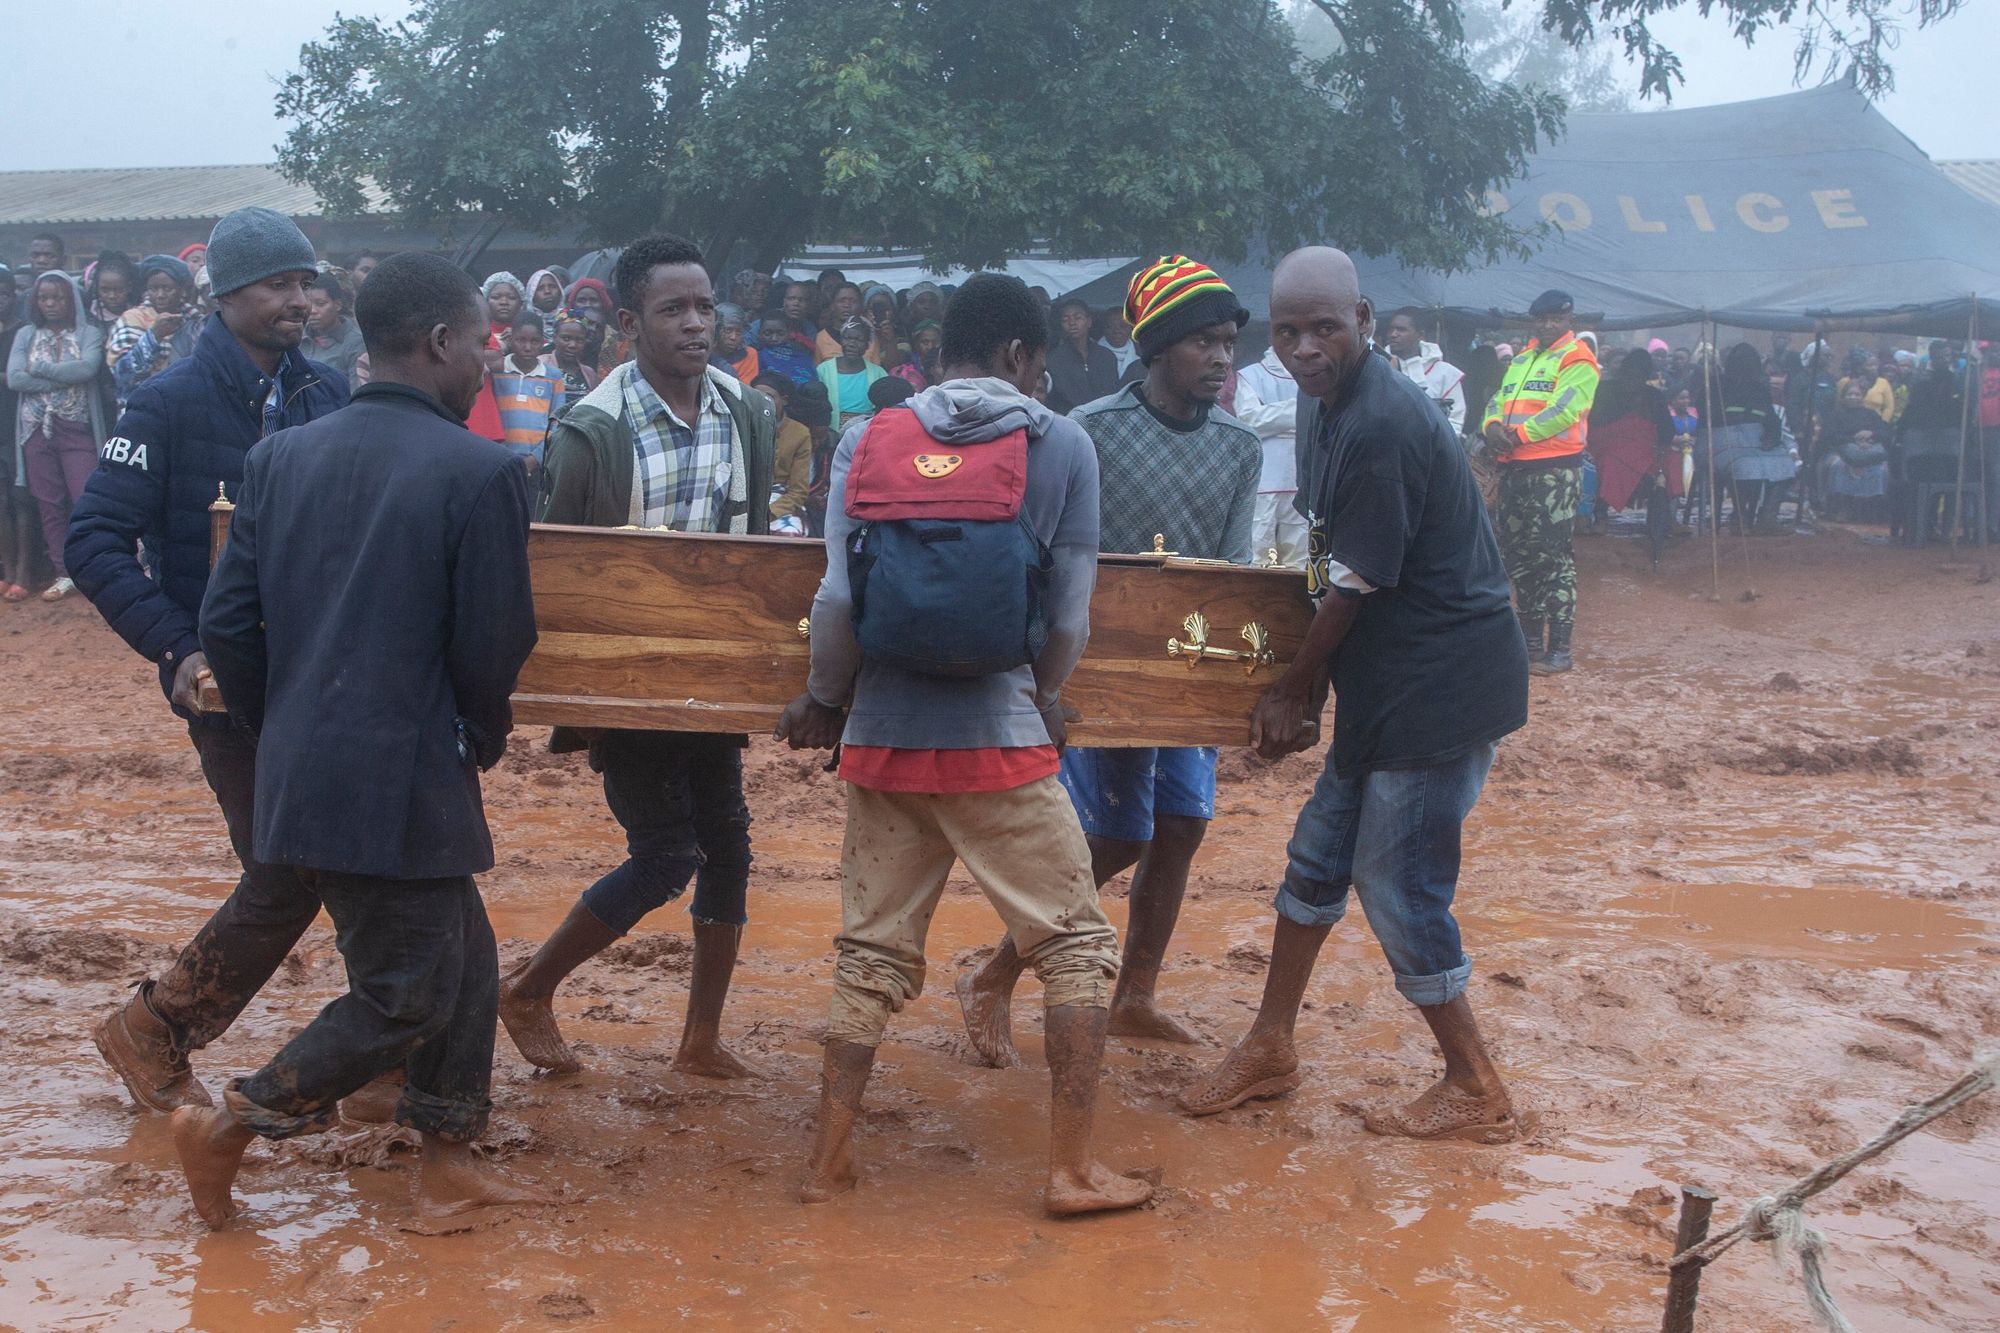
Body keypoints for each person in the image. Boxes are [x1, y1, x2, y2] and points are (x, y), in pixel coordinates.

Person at [172, 250, 544, 1230]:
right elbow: (494, 642)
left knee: (462, 953)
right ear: (437, 342)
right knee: (407, 994)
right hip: (408, 769)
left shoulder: (279, 457)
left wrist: (280, 724)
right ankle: (231, 1125)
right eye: (477, 341)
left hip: (306, 762)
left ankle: (445, 1157)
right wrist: (483, 732)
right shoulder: (481, 470)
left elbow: (227, 623)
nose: (485, 357)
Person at [775, 271, 1151, 1216]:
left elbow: (837, 601)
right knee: (1074, 945)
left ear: (942, 349)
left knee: (869, 951)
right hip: (999, 741)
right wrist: (1048, 697)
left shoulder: (868, 435)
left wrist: (827, 698)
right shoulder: (1059, 440)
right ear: (1025, 357)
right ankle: (1069, 1169)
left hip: (882, 741)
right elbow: (1069, 615)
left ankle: (828, 1158)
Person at [1180, 247, 1529, 1145]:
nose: (1303, 348)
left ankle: (1476, 1083)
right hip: (1387, 677)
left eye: (1324, 327)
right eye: (1287, 330)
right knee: (1316, 855)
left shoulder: (1382, 421)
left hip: (1441, 684)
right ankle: (1270, 1043)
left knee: (1398, 882)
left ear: (1365, 320)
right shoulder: (1320, 396)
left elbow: (1354, 580)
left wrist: (1295, 689)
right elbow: (1331, 559)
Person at [68, 207, 349, 1113]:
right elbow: (96, 541)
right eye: (276, 285)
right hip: (227, 687)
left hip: (325, 678)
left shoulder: (330, 395)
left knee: (346, 860)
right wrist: (175, 646)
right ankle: (153, 1028)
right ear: (222, 296)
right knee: (288, 870)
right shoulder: (166, 402)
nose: (297, 300)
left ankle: (386, 1058)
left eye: (306, 283)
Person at [957, 256, 1260, 1058]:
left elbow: (1232, 571)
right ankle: (993, 974)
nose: (1222, 359)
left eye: (1229, 342)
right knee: (1119, 837)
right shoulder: (1089, 429)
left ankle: (1137, 993)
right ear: (1155, 347)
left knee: (1185, 826)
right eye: (1203, 343)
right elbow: (1049, 550)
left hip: (1188, 667)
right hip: (1100, 664)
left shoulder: (1239, 446)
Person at [500, 234, 777, 1081]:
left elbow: (756, 550)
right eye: (673, 310)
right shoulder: (590, 431)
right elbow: (561, 572)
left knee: (727, 847)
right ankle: (528, 988)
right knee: (665, 853)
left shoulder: (747, 413)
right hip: (625, 677)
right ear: (628, 323)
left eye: (704, 307)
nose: (697, 324)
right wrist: (578, 696)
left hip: (715, 671)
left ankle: (699, 1040)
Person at [1480, 289, 1598, 675]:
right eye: (1542, 319)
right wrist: (1492, 426)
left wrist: (1518, 435)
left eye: (1556, 319)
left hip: (1554, 470)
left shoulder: (1577, 356)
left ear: (1569, 320)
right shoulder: (1523, 359)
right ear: (1534, 321)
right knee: (1519, 555)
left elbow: (1565, 409)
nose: (1548, 325)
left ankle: (1559, 648)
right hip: (1515, 467)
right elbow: (1499, 399)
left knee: (1554, 557)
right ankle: (1530, 643)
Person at [9, 270, 110, 602]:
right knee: (49, 503)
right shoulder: (26, 334)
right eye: (44, 297)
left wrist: (41, 370)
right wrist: (61, 377)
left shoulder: (89, 333)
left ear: (71, 300)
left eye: (58, 297)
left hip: (76, 428)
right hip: (35, 430)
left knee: (86, 499)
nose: (51, 304)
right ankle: (63, 572)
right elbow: (15, 379)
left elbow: (87, 369)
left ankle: (94, 569)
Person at [1233, 339, 1309, 568]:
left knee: (1300, 554)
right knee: (1258, 549)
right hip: (1264, 477)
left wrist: (1274, 416)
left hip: (1301, 476)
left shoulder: (1312, 375)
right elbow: (1248, 420)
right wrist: (1299, 410)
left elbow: (1321, 418)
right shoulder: (1251, 375)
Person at [1712, 342, 1792, 531]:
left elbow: (1772, 420)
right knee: (1745, 466)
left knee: (1787, 464)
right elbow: (1709, 418)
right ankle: (1739, 515)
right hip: (1723, 441)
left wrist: (1771, 438)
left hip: (1756, 442)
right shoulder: (1716, 385)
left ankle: (1768, 517)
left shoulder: (1759, 388)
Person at [1589, 349, 1677, 514]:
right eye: (1629, 375)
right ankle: (1600, 517)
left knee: (1673, 462)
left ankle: (1669, 518)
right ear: (1622, 373)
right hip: (1607, 447)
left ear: (1644, 377)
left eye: (1637, 377)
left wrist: (1660, 446)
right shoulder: (1604, 390)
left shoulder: (1654, 396)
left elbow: (1667, 430)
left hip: (1646, 451)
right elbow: (1594, 423)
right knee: (1610, 463)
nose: (1632, 381)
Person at [108, 255, 197, 405]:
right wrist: (154, 336)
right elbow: (122, 374)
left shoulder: (194, 321)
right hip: (141, 408)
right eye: (154, 289)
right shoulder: (132, 319)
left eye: (167, 288)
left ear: (181, 289)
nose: (160, 295)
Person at [0, 266, 39, 599]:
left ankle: (25, 574)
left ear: (15, 296)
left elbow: (19, 375)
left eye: (3, 293)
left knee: (20, 497)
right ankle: (6, 569)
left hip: (17, 421)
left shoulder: (25, 333)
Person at [492, 311, 564, 474]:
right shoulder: (497, 371)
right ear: (510, 340)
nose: (527, 347)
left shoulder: (553, 377)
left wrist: (534, 460)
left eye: (534, 341)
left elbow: (557, 423)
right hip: (498, 460)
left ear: (542, 342)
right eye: (521, 340)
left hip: (537, 464)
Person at [1384, 308, 1467, 434]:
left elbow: (1455, 420)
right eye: (1391, 329)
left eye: (1401, 330)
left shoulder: (1446, 373)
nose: (1393, 334)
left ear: (1420, 335)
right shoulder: (1377, 367)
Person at [751, 371, 813, 534]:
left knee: (789, 535)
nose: (762, 402)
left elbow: (798, 491)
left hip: (781, 499)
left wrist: (771, 512)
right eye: (756, 396)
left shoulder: (800, 433)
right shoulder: (742, 424)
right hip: (747, 495)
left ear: (784, 400)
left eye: (769, 397)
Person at [1818, 381, 1891, 520]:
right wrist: (1853, 439)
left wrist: (1870, 436)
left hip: (1869, 452)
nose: (1853, 397)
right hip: (1840, 451)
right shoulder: (1835, 415)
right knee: (1838, 466)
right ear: (1843, 397)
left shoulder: (1871, 415)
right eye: (1849, 394)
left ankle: (1869, 510)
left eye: (1857, 394)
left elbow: (1885, 433)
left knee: (1881, 469)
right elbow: (1828, 437)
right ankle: (1841, 508)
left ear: (1862, 397)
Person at [1044, 297, 1120, 415]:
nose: (1072, 323)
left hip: (1104, 420)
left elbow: (1113, 395)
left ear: (1089, 321)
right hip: (1071, 422)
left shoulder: (1107, 356)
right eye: (1066, 319)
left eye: (1077, 317)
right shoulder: (1053, 360)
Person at [816, 316, 886, 430]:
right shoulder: (823, 370)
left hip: (866, 430)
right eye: (847, 338)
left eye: (859, 340)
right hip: (832, 432)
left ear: (868, 345)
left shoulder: (878, 373)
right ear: (841, 340)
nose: (852, 344)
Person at [303, 271, 365, 383]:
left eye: (320, 304)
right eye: (308, 304)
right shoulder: (297, 339)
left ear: (337, 305)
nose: (312, 311)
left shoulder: (355, 344)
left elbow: (357, 393)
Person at [755, 312, 816, 386]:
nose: (774, 338)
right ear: (759, 334)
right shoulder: (756, 357)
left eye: (780, 333)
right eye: (768, 333)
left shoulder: (803, 357)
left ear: (789, 333)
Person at [548, 312, 599, 397]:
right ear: (554, 337)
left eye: (579, 340)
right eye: (566, 338)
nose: (573, 345)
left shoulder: (590, 374)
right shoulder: (541, 365)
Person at [814, 284, 867, 364]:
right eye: (842, 300)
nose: (847, 305)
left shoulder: (869, 338)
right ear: (832, 305)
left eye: (853, 301)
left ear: (861, 306)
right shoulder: (820, 339)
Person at [1838, 349, 1894, 425]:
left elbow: (1888, 407)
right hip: (1847, 422)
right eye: (1870, 365)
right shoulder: (1845, 381)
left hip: (1875, 424)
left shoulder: (1883, 382)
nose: (1874, 368)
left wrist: (1882, 423)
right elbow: (1838, 403)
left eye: (1876, 365)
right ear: (1859, 367)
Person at [712, 303, 760, 382]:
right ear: (716, 329)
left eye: (738, 331)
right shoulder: (702, 351)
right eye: (728, 330)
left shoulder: (749, 354)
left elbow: (743, 390)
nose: (733, 337)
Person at [480, 273, 525, 343]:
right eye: (496, 297)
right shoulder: (478, 332)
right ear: (486, 301)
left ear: (521, 303)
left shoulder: (531, 332)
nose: (504, 302)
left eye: (511, 297)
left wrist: (522, 338)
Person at [1098, 305, 1140, 377]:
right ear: (1103, 329)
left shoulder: (1142, 353)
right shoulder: (1092, 354)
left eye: (1122, 325)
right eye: (1110, 326)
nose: (1117, 330)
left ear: (1131, 327)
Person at [526, 268, 566, 342]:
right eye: (540, 288)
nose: (547, 291)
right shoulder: (525, 322)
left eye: (552, 286)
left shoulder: (570, 319)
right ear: (532, 295)